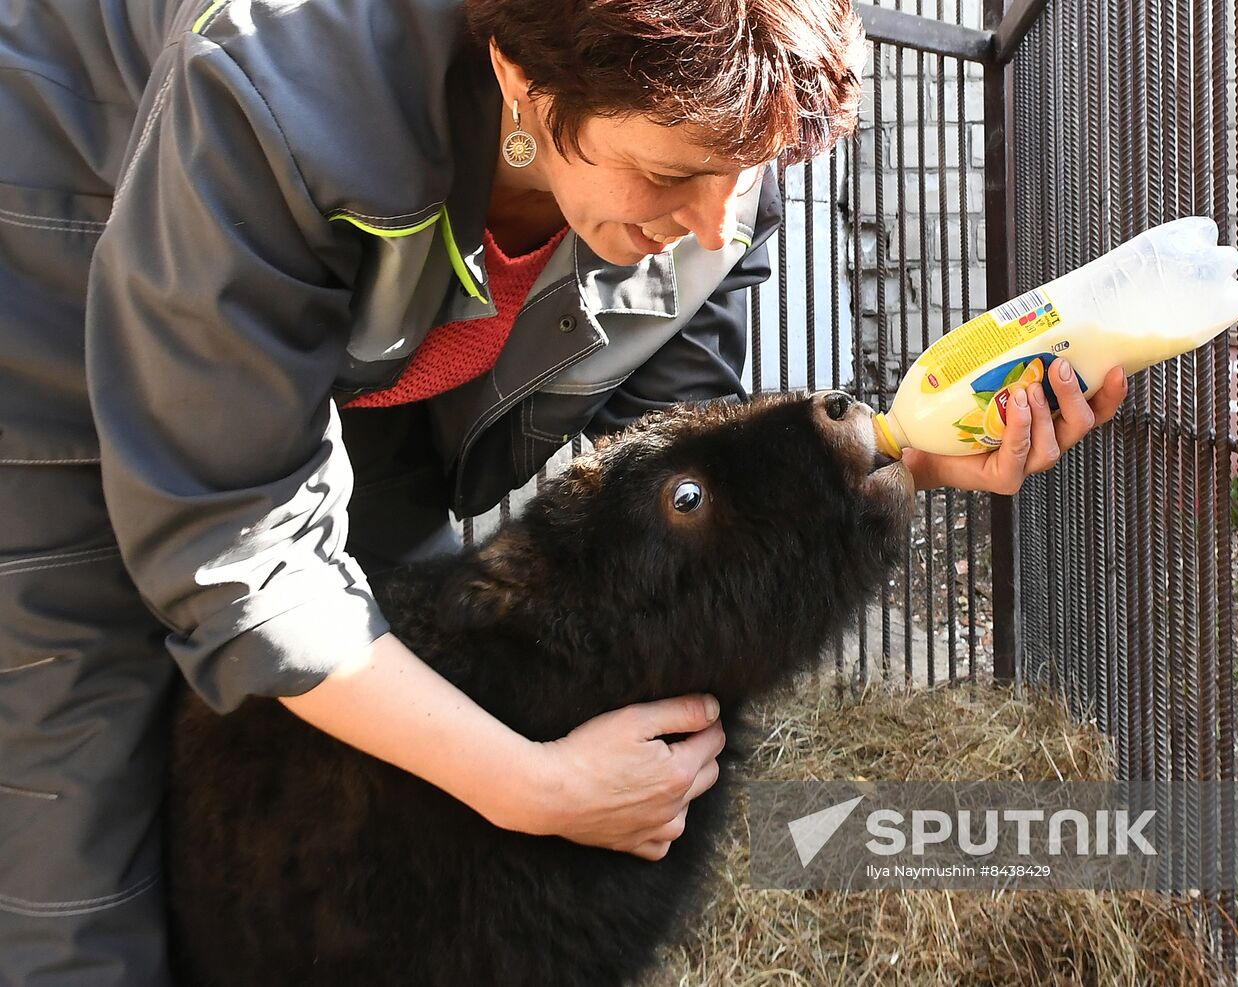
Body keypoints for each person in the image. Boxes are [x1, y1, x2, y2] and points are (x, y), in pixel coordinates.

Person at [0, 0, 1128, 983]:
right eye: (674, 174)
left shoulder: (708, 174)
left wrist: (904, 456)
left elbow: (671, 465)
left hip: (360, 362)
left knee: (354, 706)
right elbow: (232, 546)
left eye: (749, 175)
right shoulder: (286, 95)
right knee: (76, 803)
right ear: (524, 83)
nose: (716, 225)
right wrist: (526, 786)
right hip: (53, 282)